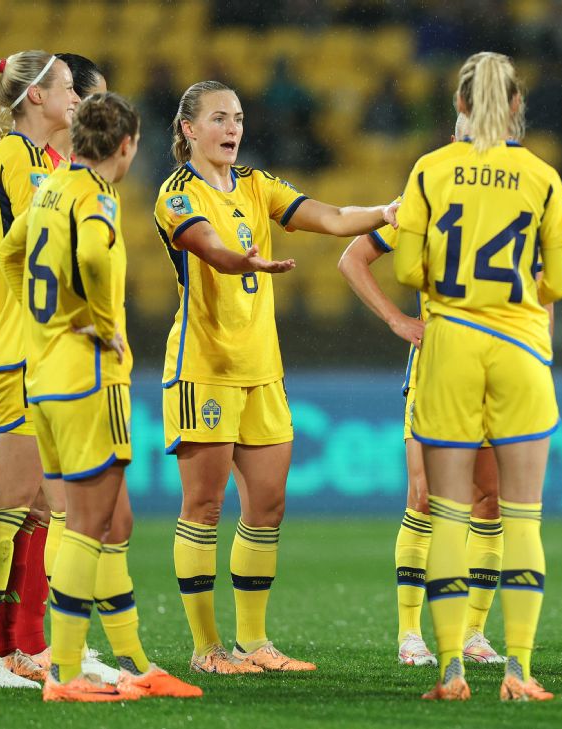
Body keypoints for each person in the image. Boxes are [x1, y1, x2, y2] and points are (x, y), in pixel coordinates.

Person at [157, 80, 398, 675]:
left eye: (238, 116)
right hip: (204, 368)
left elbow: (337, 218)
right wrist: (248, 261)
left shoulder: (258, 186)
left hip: (262, 369)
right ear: (189, 129)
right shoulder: (175, 194)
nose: (233, 127)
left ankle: (253, 642)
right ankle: (206, 649)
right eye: (219, 118)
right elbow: (210, 248)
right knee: (204, 506)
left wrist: (390, 212)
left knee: (266, 505)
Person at [0, 91, 202, 702]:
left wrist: (44, 325)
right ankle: (63, 672)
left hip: (46, 378)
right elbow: (89, 251)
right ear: (127, 145)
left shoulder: (50, 188)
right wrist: (89, 318)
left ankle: (133, 659)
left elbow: (11, 255)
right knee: (90, 524)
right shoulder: (96, 197)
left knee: (110, 520)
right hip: (89, 378)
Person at [392, 51, 562, 701]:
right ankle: (520, 670)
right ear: (517, 107)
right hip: (521, 347)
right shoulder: (542, 176)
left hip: (451, 346)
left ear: (460, 107)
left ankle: (451, 670)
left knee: (446, 514)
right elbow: (559, 281)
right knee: (521, 516)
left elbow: (408, 270)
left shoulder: (430, 170)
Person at [338, 116, 508, 669]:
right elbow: (353, 257)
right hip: (436, 365)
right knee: (424, 498)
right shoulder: (426, 194)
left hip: (497, 367)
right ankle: (411, 632)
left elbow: (545, 285)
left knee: (489, 500)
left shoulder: (521, 199)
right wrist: (395, 319)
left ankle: (475, 632)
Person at [0, 50, 75, 689]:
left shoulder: (39, 160)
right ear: (36, 97)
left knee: (39, 508)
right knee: (4, 507)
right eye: (68, 88)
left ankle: (18, 650)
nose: (77, 99)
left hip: (35, 346)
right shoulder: (17, 160)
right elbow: (28, 246)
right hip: (20, 350)